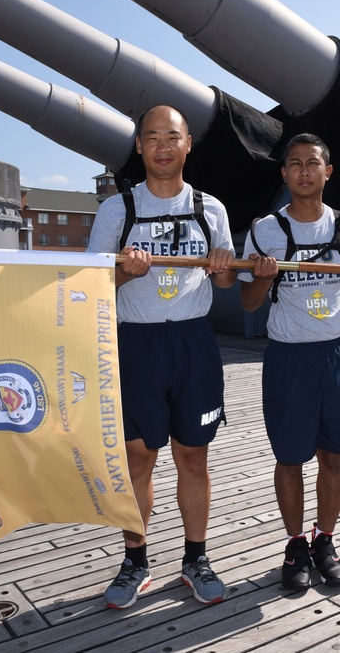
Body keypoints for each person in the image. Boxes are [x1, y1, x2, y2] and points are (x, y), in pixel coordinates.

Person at [86, 105, 236, 608]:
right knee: (138, 457)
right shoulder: (116, 210)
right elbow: (91, 284)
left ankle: (195, 558)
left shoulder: (211, 208)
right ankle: (136, 561)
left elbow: (229, 278)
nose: (163, 146)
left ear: (188, 144)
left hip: (193, 342)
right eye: (152, 137)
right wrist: (126, 272)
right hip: (136, 344)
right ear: (139, 147)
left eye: (173, 136)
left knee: (193, 456)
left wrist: (222, 267)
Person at [239, 133, 340, 591]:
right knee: (290, 457)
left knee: (334, 456)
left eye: (313, 163)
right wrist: (262, 277)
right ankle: (295, 543)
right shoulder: (265, 230)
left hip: (339, 355)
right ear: (284, 174)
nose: (304, 170)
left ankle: (325, 540)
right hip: (289, 358)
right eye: (295, 163)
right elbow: (247, 303)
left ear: (328, 171)